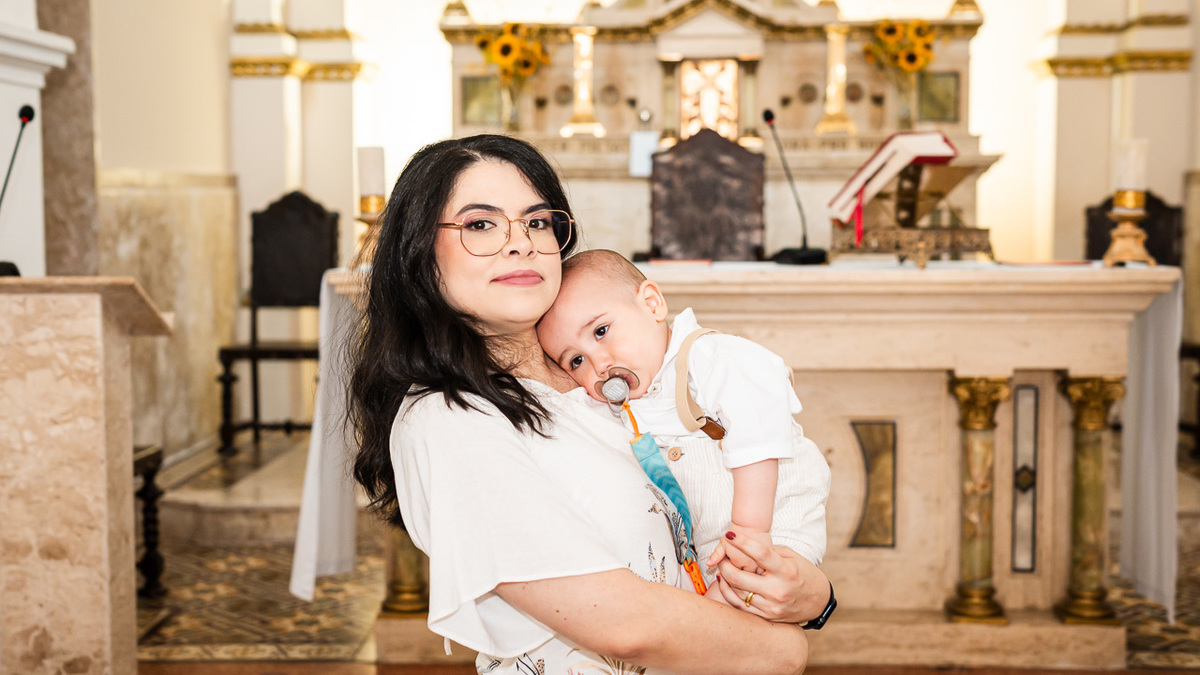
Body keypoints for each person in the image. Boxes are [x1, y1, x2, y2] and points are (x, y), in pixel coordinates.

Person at [349, 134, 830, 675]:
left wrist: (812, 595)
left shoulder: (609, 373)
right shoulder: (450, 418)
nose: (521, 243)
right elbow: (625, 627)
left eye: (536, 221)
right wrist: (785, 648)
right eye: (481, 224)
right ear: (418, 254)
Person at [536, 249, 831, 604]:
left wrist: (750, 529)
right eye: (576, 360)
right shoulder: (624, 406)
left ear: (652, 304)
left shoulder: (711, 357)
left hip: (775, 519)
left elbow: (759, 438)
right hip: (708, 549)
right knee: (706, 614)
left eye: (601, 331)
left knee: (731, 607)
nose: (599, 363)